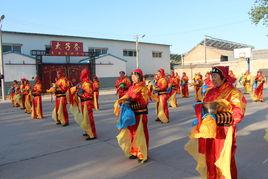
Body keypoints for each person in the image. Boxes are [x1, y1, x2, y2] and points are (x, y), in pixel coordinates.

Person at [185, 66, 246, 179]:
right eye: (211, 76)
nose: (212, 79)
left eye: (215, 76)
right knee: (210, 158)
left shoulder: (234, 93)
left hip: (224, 131)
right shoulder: (210, 92)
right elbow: (205, 107)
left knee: (224, 159)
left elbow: (238, 113)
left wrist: (216, 117)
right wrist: (200, 117)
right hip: (209, 131)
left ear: (223, 77)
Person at [114, 68, 149, 163]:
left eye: (135, 76)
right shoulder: (131, 87)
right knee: (132, 133)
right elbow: (127, 95)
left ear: (140, 77)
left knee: (141, 134)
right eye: (132, 76)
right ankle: (135, 151)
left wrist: (133, 100)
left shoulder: (143, 88)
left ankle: (142, 153)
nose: (133, 78)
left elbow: (145, 102)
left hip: (141, 114)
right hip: (132, 114)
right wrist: (121, 100)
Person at [70, 68, 97, 140]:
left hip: (87, 102)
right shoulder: (82, 83)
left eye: (82, 73)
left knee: (89, 118)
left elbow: (89, 94)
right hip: (82, 102)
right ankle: (87, 130)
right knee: (84, 118)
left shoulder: (87, 83)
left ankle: (92, 134)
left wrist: (80, 94)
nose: (81, 75)